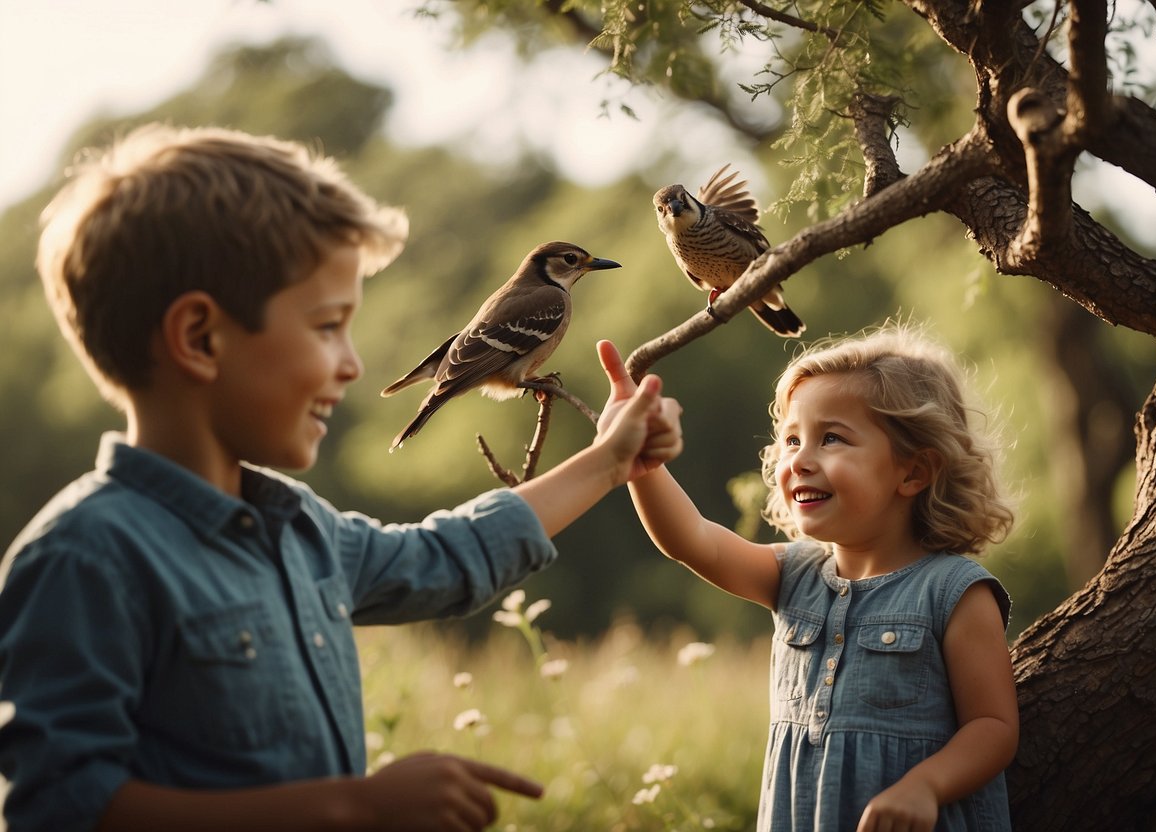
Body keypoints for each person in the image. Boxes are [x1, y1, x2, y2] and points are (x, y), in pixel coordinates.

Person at [0, 123, 683, 832]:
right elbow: (61, 809)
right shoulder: (84, 560)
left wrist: (606, 463)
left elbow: (446, 557)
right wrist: (350, 807)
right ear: (200, 338)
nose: (353, 365)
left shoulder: (299, 527)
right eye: (328, 326)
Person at [608, 324, 1018, 831]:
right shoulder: (793, 574)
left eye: (831, 439)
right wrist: (638, 461)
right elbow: (691, 538)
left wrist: (925, 785)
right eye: (792, 440)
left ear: (913, 472)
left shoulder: (954, 591)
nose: (799, 460)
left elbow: (993, 727)